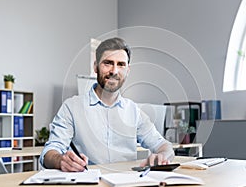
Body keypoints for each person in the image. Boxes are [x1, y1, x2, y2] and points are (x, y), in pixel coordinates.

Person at [39, 37, 174, 172]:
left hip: (126, 185)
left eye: (121, 64)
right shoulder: (72, 107)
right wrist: (61, 160)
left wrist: (161, 156)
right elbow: (49, 153)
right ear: (95, 67)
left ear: (128, 70)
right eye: (108, 63)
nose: (114, 71)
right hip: (87, 186)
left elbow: (164, 146)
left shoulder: (134, 111)